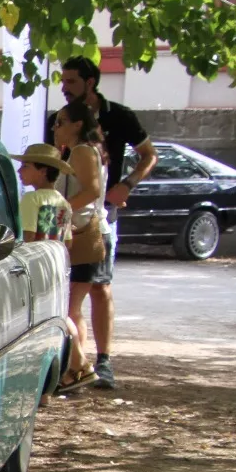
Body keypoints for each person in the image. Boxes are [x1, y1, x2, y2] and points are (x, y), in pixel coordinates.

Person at [49, 56, 157, 389]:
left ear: (90, 82)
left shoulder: (118, 117)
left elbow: (148, 155)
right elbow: (52, 163)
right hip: (80, 219)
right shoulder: (64, 123)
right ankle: (75, 366)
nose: (64, 88)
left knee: (97, 289)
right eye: (62, 82)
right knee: (74, 297)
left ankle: (98, 362)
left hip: (95, 219)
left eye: (71, 82)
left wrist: (128, 184)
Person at [15, 143, 90, 388]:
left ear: (43, 171)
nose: (20, 170)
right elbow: (67, 241)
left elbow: (28, 238)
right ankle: (77, 365)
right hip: (57, 265)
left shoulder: (31, 199)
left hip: (38, 269)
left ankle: (79, 364)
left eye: (26, 166)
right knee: (60, 316)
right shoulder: (62, 202)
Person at [53, 100, 107, 392]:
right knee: (72, 308)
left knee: (70, 309)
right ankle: (74, 369)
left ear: (77, 125)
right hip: (78, 232)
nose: (55, 128)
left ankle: (79, 368)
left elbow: (93, 191)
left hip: (84, 234)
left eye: (60, 122)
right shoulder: (75, 151)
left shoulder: (83, 151)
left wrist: (58, 210)